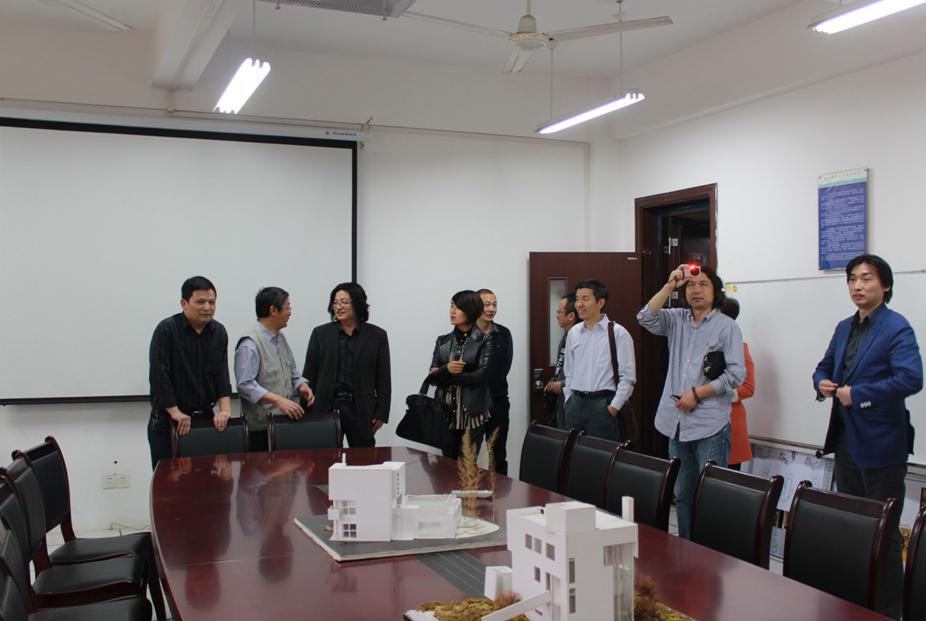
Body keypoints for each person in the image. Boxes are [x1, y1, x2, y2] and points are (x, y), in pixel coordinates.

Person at [812, 254, 922, 620]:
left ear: (885, 285)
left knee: (884, 534)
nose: (857, 286)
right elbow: (823, 367)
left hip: (882, 445)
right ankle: (857, 602)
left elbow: (911, 379)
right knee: (853, 526)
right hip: (845, 441)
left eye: (867, 278)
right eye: (852, 279)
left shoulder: (896, 327)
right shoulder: (845, 326)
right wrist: (822, 383)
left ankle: (889, 611)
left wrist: (858, 394)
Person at [637, 265, 745, 540]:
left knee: (710, 496)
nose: (696, 290)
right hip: (676, 424)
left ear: (716, 291)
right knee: (682, 495)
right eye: (690, 285)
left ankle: (710, 554)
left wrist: (697, 394)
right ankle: (685, 549)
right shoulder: (677, 319)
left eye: (703, 284)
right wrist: (669, 285)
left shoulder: (727, 327)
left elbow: (736, 375)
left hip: (710, 424)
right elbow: (645, 317)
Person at [148, 276, 233, 470]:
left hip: (205, 420)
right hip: (169, 421)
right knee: (169, 481)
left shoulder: (219, 331)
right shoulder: (166, 330)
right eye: (200, 302)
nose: (207, 307)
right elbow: (159, 376)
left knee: (205, 480)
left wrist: (225, 410)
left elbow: (222, 373)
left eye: (212, 302)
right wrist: (176, 412)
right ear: (184, 303)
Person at [302, 283, 391, 447]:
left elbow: (383, 379)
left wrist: (381, 413)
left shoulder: (377, 335)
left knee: (363, 458)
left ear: (357, 304)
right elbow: (309, 375)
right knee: (325, 458)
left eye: (344, 302)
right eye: (335, 303)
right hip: (327, 407)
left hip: (360, 409)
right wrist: (307, 413)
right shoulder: (320, 334)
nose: (338, 307)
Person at [235, 287, 314, 452]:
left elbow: (291, 371)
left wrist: (301, 384)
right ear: (273, 310)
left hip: (284, 424)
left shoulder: (280, 338)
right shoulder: (250, 343)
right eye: (287, 308)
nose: (290, 313)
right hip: (260, 430)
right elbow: (245, 385)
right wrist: (278, 400)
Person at [563, 280, 635, 442]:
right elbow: (569, 372)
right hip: (575, 405)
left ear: (600, 303)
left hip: (603, 405)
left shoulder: (618, 333)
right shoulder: (574, 333)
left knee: (602, 455)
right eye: (577, 299)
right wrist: (569, 400)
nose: (579, 304)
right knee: (573, 454)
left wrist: (613, 408)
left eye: (585, 299)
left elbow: (628, 377)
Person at [426, 290, 494, 460]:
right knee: (447, 467)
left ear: (470, 310)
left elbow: (480, 376)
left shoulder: (484, 340)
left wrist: (445, 376)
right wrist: (447, 369)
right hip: (446, 413)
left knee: (467, 468)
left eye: (458, 308)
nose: (452, 311)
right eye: (451, 306)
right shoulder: (442, 341)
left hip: (472, 414)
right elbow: (432, 379)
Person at [471, 289, 513, 475]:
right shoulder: (465, 334)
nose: (491, 309)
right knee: (468, 456)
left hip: (498, 403)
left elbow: (505, 366)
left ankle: (500, 492)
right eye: (486, 305)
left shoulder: (503, 334)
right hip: (471, 406)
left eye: (494, 304)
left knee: (498, 455)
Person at [719, 297, 755, 470]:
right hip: (702, 424)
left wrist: (714, 393)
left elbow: (748, 388)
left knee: (724, 479)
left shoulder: (739, 348)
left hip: (730, 422)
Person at [545, 291, 580, 429]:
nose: (556, 315)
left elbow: (584, 373)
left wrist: (563, 384)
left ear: (571, 316)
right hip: (561, 403)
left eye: (559, 311)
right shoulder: (566, 338)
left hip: (576, 404)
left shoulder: (581, 340)